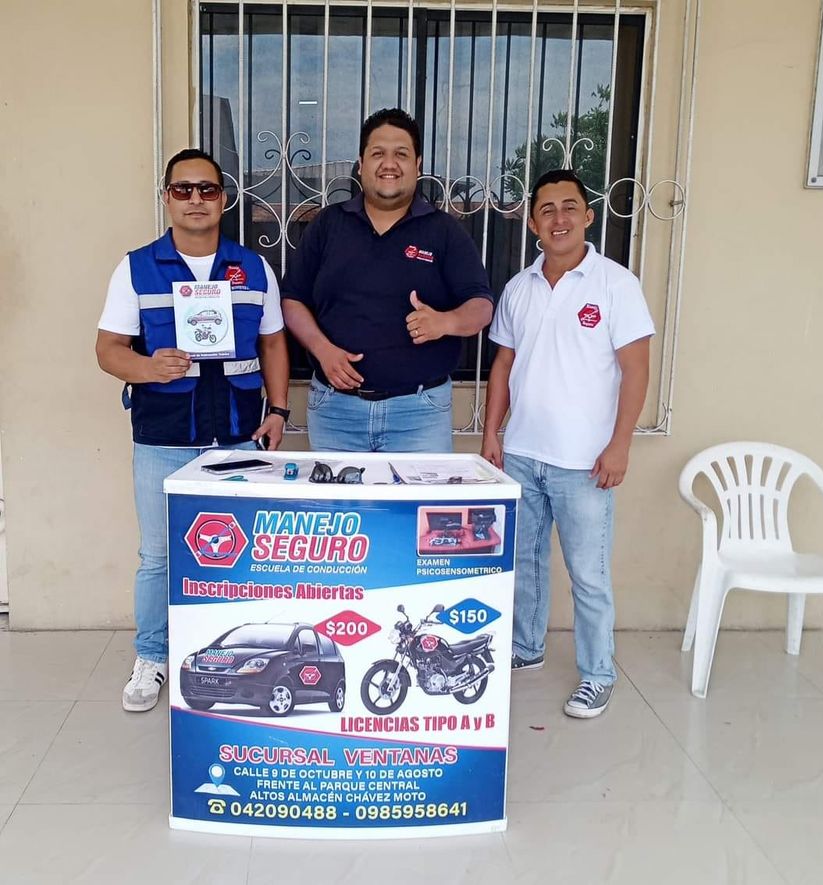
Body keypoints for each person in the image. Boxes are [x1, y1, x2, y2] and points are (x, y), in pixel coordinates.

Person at [96, 148, 290, 712]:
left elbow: (274, 342)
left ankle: (232, 656)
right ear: (167, 198)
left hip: (237, 435)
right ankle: (152, 657)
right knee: (159, 556)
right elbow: (108, 350)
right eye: (183, 189)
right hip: (163, 436)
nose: (196, 199)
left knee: (240, 555)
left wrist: (278, 410)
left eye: (207, 189)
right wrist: (147, 367)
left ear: (224, 199)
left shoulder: (253, 268)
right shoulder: (136, 267)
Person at [482, 169, 654, 719]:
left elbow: (636, 369)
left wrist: (621, 444)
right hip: (522, 454)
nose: (559, 218)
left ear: (588, 215)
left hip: (585, 462)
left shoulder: (615, 284)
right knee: (525, 563)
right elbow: (503, 364)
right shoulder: (519, 287)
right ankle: (526, 647)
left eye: (569, 207)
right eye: (547, 209)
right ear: (533, 223)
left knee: (589, 574)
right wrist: (491, 434)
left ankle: (598, 673)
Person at [281, 107, 493, 452]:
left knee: (419, 494)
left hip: (419, 414)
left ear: (418, 166)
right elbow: (292, 300)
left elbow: (481, 305)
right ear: (361, 164)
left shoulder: (444, 231)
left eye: (401, 154)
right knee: (338, 493)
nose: (389, 164)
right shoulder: (328, 224)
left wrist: (446, 322)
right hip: (336, 413)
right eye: (378, 153)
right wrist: (322, 349)